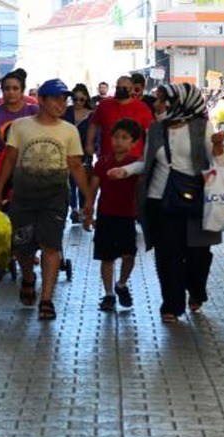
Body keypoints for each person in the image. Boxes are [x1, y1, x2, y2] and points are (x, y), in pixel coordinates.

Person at [122, 83, 224, 323]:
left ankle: (196, 290)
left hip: (196, 201)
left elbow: (221, 165)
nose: (156, 105)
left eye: (161, 100)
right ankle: (171, 303)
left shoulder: (202, 127)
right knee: (167, 255)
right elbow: (146, 162)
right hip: (159, 201)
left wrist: (219, 149)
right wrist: (125, 170)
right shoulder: (156, 128)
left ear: (180, 103)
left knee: (198, 254)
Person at [0, 79, 91, 321]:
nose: (61, 103)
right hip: (23, 196)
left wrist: (88, 200)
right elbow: (11, 159)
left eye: (63, 99)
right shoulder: (21, 126)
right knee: (22, 247)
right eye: (56, 98)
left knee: (51, 246)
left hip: (55, 197)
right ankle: (28, 276)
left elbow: (75, 166)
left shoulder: (69, 130)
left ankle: (46, 299)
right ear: (41, 101)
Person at [84, 118, 142, 312]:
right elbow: (94, 186)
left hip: (127, 216)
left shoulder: (136, 164)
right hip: (106, 214)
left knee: (129, 255)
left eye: (124, 138)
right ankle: (109, 294)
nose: (118, 141)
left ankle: (121, 284)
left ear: (133, 142)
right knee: (106, 257)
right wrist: (89, 208)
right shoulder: (103, 162)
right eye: (116, 137)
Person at [0, 69, 38, 191]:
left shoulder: (33, 111)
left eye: (15, 88)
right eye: (7, 88)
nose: (11, 92)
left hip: (29, 169)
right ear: (2, 91)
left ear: (22, 91)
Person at [86, 75, 153, 162]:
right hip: (107, 156)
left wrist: (148, 153)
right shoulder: (104, 105)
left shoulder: (142, 108)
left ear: (131, 89)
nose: (121, 90)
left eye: (125, 88)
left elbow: (149, 132)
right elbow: (93, 125)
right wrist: (89, 144)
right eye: (118, 88)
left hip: (134, 158)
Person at [63, 83, 95, 224]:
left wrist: (94, 147)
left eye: (81, 100)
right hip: (68, 152)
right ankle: (74, 209)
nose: (78, 102)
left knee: (84, 181)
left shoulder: (92, 114)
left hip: (84, 153)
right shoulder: (67, 112)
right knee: (70, 183)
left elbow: (96, 133)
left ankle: (82, 209)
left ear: (86, 99)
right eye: (75, 99)